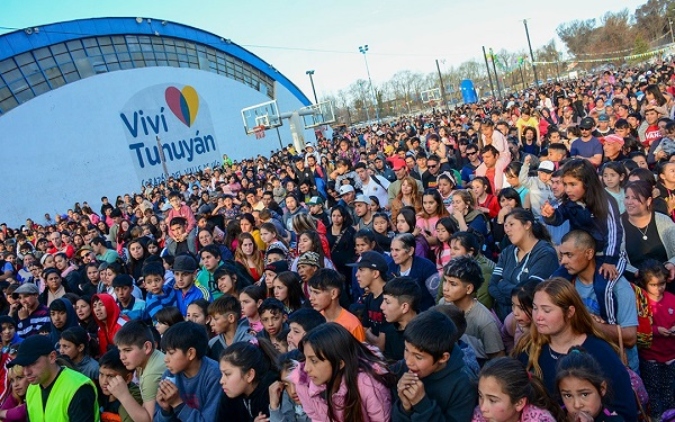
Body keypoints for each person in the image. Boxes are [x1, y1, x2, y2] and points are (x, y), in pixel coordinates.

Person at [515, 278, 637, 421]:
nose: (538, 316)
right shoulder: (528, 350)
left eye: (546, 310)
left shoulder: (600, 351)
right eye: (535, 308)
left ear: (570, 312)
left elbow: (626, 410)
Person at [554, 230, 639, 371]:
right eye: (561, 255)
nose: (563, 261)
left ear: (589, 253)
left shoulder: (615, 285)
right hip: (586, 369)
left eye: (569, 255)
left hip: (618, 367)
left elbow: (630, 338)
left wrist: (586, 322)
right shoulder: (567, 284)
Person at [289, 323, 394, 422]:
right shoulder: (303, 384)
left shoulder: (368, 384)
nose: (306, 368)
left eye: (314, 361)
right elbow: (316, 419)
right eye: (305, 358)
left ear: (340, 363)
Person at [392, 310, 477, 422]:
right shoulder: (403, 368)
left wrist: (422, 404)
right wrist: (404, 407)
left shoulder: (464, 385)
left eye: (418, 357)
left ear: (443, 358)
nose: (408, 361)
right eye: (406, 350)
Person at [9, 335, 98, 422]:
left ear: (52, 357)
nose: (26, 372)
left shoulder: (78, 388)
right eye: (23, 365)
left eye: (32, 363)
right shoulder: (32, 388)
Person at [489, 209, 558, 321]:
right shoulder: (507, 252)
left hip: (529, 321)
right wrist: (515, 296)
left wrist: (502, 285)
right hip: (500, 316)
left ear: (527, 225)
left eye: (511, 224)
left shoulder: (545, 253)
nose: (507, 230)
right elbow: (492, 285)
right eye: (505, 226)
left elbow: (530, 292)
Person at [154, 321, 223, 422]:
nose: (166, 359)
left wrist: (178, 404)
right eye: (165, 352)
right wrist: (165, 410)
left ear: (190, 353)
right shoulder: (170, 374)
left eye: (171, 353)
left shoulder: (214, 375)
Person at [441, 257, 505, 362]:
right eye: (445, 281)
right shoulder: (444, 303)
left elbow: (498, 358)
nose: (445, 288)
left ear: (469, 288)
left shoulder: (485, 321)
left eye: (453, 284)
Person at [635, 260, 675, 418]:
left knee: (669, 388)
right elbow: (637, 327)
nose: (659, 289)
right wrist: (657, 330)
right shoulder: (641, 303)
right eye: (653, 285)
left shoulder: (672, 299)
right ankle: (656, 417)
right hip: (650, 356)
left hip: (671, 356)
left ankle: (670, 416)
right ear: (645, 283)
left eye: (662, 284)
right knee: (652, 389)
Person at [621, 180, 675, 288]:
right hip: (634, 284)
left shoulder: (663, 221)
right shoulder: (617, 225)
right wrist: (636, 273)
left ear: (648, 200)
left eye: (635, 198)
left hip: (665, 280)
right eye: (627, 197)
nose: (629, 202)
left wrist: (672, 263)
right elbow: (615, 257)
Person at [472, 358, 561, 422]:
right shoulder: (478, 416)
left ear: (519, 403)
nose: (482, 407)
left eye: (492, 400)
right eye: (480, 396)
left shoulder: (540, 419)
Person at [111, 321, 166, 422]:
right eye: (120, 350)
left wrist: (123, 395)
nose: (122, 357)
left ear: (147, 347)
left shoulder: (151, 374)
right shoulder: (153, 357)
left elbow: (148, 420)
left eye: (127, 350)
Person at [216, 339, 279, 421]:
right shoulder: (228, 396)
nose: (221, 381)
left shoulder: (272, 393)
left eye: (227, 374)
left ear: (249, 375)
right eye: (222, 374)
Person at [555, 347, 625, 421]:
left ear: (602, 389)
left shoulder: (615, 420)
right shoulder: (555, 416)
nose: (577, 405)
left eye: (584, 394)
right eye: (568, 395)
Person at [346, 251, 390, 350]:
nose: (356, 275)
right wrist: (368, 333)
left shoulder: (388, 300)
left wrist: (368, 333)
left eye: (361, 270)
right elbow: (364, 332)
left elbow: (381, 345)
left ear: (375, 273)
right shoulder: (370, 297)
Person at [307, 269, 365, 342]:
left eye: (316, 293)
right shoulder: (314, 320)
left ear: (333, 293)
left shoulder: (352, 325)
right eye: (311, 292)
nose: (311, 298)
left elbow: (359, 353)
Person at [388, 233, 439, 311]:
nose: (393, 254)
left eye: (397, 250)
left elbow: (437, 296)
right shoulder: (391, 268)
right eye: (392, 250)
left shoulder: (426, 267)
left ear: (410, 251)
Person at [98, 348, 143, 422]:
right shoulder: (96, 390)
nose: (104, 381)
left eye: (111, 376)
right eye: (101, 374)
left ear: (128, 378)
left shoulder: (134, 396)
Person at [206, 295, 254, 361]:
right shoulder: (212, 344)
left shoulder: (249, 342)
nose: (211, 323)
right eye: (210, 319)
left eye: (216, 319)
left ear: (231, 318)